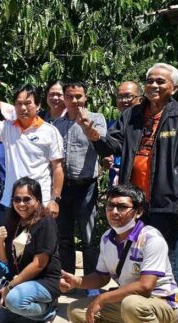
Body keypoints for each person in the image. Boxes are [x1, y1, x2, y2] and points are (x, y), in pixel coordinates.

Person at [87, 63, 178, 288]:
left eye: (160, 81)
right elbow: (113, 144)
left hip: (167, 200)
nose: (153, 85)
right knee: (133, 251)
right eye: (150, 81)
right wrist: (94, 136)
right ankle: (134, 305)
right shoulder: (132, 114)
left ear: (175, 88)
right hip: (134, 200)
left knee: (167, 255)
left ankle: (170, 307)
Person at [63, 184, 178, 323]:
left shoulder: (151, 238)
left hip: (166, 305)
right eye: (110, 206)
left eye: (122, 207)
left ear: (138, 212)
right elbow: (102, 277)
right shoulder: (106, 238)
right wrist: (78, 281)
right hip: (134, 304)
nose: (114, 211)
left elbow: (145, 286)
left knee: (131, 304)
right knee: (76, 311)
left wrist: (102, 299)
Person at [0, 84, 65, 217]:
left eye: (27, 103)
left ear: (38, 105)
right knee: (10, 238)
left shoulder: (50, 131)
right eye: (18, 103)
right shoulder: (7, 127)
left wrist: (54, 200)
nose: (22, 108)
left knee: (38, 238)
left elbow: (58, 168)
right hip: (12, 201)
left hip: (39, 202)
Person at [0, 177, 61, 323]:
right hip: (19, 281)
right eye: (17, 199)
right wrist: (0, 240)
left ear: (38, 200)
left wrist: (11, 287)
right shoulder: (14, 221)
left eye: (27, 199)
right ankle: (22, 306)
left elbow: (39, 264)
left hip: (44, 281)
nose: (21, 204)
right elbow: (4, 258)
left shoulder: (46, 222)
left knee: (14, 300)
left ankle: (48, 311)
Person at [52, 81, 107, 296]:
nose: (74, 101)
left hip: (86, 187)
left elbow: (102, 142)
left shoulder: (97, 119)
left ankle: (91, 283)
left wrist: (86, 125)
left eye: (79, 96)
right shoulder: (57, 124)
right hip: (62, 188)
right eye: (70, 96)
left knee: (89, 236)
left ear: (86, 97)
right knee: (63, 237)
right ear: (64, 98)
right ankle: (68, 280)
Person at [103, 81, 143, 186]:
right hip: (116, 183)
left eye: (128, 96)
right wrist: (105, 160)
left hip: (139, 182)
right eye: (119, 97)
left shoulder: (147, 123)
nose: (123, 101)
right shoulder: (111, 124)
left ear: (141, 98)